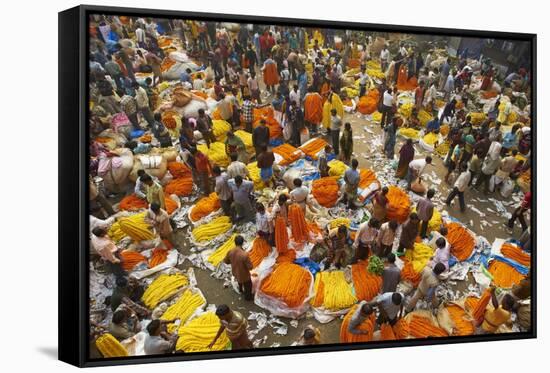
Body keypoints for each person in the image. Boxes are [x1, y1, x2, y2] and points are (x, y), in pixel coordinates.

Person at [224, 235, 254, 301]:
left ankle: (240, 289)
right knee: (248, 286)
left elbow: (226, 261)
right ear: (242, 243)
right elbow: (250, 267)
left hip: (235, 272)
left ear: (235, 242)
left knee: (239, 281)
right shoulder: (244, 255)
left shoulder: (230, 252)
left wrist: (233, 262)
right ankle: (248, 298)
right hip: (244, 276)